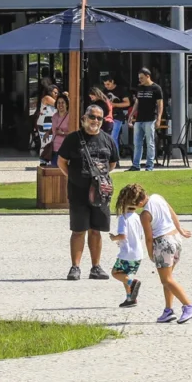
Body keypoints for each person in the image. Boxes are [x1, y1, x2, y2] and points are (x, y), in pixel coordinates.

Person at [58, 103, 118, 280]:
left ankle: (96, 267)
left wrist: (98, 180)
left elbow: (112, 163)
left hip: (101, 193)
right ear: (84, 118)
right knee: (78, 229)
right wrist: (74, 177)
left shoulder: (108, 140)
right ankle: (75, 267)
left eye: (99, 118)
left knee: (96, 230)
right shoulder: (73, 139)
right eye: (92, 117)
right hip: (78, 192)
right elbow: (61, 162)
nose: (96, 121)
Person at [127, 183, 192, 323]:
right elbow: (172, 213)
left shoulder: (145, 214)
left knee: (166, 280)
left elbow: (149, 238)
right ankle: (168, 310)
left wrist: (150, 253)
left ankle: (189, 305)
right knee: (168, 278)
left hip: (163, 244)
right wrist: (180, 230)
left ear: (140, 202)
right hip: (175, 239)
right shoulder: (157, 197)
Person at [109, 186, 147, 308]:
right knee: (126, 275)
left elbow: (122, 235)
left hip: (127, 253)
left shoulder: (123, 218)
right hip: (138, 253)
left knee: (115, 273)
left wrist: (114, 238)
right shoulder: (137, 217)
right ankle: (130, 298)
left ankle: (133, 283)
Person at [129, 67, 164, 172]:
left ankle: (149, 166)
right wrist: (131, 114)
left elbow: (160, 104)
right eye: (139, 78)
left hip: (150, 119)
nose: (140, 80)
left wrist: (158, 118)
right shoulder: (140, 88)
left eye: (142, 78)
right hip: (139, 119)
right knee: (137, 143)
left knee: (150, 143)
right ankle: (136, 165)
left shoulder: (156, 88)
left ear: (148, 76)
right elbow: (137, 102)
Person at [104, 75, 130, 152]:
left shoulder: (121, 90)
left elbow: (127, 103)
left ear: (112, 82)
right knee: (107, 137)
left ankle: (115, 159)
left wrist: (115, 105)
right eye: (105, 84)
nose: (106, 86)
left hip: (117, 116)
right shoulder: (105, 91)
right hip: (107, 116)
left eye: (108, 84)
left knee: (113, 137)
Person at [47, 93, 73, 166]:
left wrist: (63, 133)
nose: (60, 105)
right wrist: (48, 132)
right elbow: (54, 129)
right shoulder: (54, 116)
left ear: (67, 104)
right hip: (54, 148)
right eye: (58, 103)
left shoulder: (70, 116)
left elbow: (74, 132)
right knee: (54, 171)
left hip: (65, 148)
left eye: (62, 103)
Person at [35, 84, 58, 163]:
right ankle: (43, 161)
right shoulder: (47, 98)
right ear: (50, 92)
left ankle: (47, 160)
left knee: (50, 143)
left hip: (50, 123)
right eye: (55, 92)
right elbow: (58, 104)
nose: (56, 94)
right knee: (45, 142)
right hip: (44, 123)